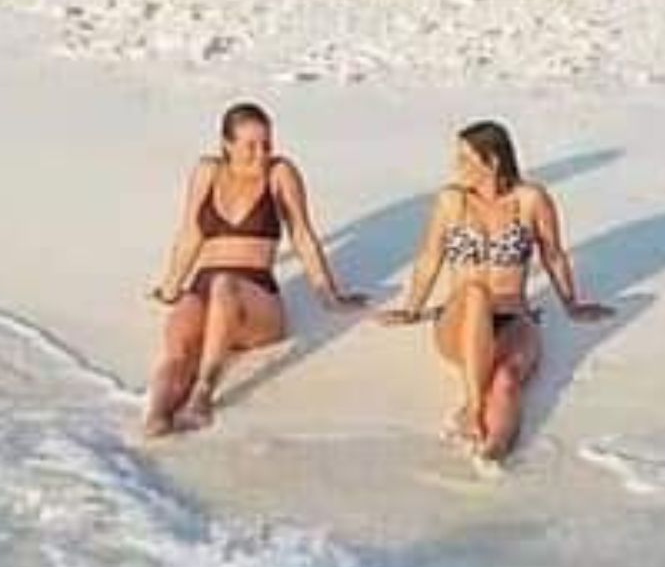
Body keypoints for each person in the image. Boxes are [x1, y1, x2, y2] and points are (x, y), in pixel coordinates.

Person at [380, 120, 614, 464]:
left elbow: (553, 254)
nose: (455, 167)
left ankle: (494, 455)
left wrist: (572, 304)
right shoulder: (451, 201)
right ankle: (475, 410)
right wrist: (412, 309)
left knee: (506, 379)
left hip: (513, 317)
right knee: (476, 292)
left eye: (464, 159)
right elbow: (430, 257)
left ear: (491, 162)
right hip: (459, 320)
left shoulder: (531, 200)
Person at [144, 101, 364, 436]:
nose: (260, 153)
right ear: (226, 145)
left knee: (224, 285)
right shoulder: (207, 171)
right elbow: (190, 232)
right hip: (205, 286)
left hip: (256, 299)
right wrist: (170, 288)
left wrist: (328, 295)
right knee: (179, 345)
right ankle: (156, 415)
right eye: (250, 146)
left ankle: (203, 392)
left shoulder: (280, 173)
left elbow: (302, 235)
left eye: (267, 144)